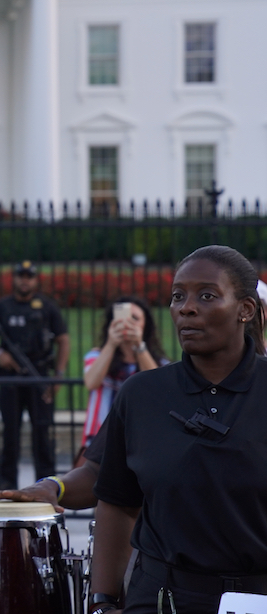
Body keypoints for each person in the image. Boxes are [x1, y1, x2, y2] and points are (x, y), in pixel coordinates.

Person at [91, 245, 267, 614]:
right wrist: (103, 601)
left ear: (245, 309)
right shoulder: (141, 394)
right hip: (161, 597)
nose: (186, 307)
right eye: (177, 296)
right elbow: (117, 503)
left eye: (206, 295)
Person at [0, 260, 70, 491]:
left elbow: (63, 340)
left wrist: (58, 375)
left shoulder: (48, 308)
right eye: (21, 276)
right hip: (10, 378)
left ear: (35, 279)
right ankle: (7, 479)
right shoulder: (2, 307)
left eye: (29, 276)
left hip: (39, 376)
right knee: (10, 430)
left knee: (42, 430)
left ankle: (45, 481)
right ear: (15, 278)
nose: (24, 280)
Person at [81, 297, 169, 447]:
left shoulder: (159, 363)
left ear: (145, 325)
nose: (128, 323)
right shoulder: (96, 356)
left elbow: (159, 389)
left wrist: (139, 347)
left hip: (140, 439)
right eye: (123, 317)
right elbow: (91, 382)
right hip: (100, 439)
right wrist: (111, 344)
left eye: (135, 318)